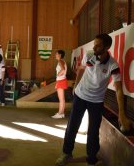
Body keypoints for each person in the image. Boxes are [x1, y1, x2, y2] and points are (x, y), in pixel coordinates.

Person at [55, 33, 132, 166]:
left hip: (96, 101)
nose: (94, 47)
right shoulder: (89, 55)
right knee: (72, 126)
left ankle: (91, 160)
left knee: (93, 131)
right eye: (94, 44)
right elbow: (81, 70)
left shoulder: (113, 65)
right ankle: (66, 154)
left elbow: (119, 90)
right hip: (80, 96)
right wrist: (76, 86)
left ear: (107, 47)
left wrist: (122, 114)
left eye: (98, 45)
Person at [52, 50, 68, 119]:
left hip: (61, 80)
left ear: (60, 55)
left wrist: (59, 74)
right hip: (62, 80)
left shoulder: (60, 61)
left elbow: (63, 70)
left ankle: (60, 113)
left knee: (61, 99)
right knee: (62, 99)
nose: (55, 55)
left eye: (56, 54)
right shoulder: (62, 61)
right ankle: (61, 113)